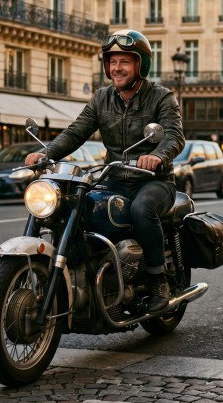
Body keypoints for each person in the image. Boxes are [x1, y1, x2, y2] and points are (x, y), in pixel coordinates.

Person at [24, 29, 184, 314]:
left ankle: (159, 280)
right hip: (114, 179)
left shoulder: (161, 97)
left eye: (124, 61)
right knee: (74, 205)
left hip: (154, 181)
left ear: (140, 65)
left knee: (142, 209)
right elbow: (75, 132)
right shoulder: (101, 98)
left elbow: (173, 136)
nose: (116, 68)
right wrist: (45, 153)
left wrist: (156, 156)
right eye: (112, 62)